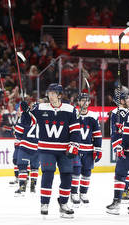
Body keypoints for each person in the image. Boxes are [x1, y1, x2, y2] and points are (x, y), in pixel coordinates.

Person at [20, 83, 81, 218]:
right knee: (48, 174)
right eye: (49, 93)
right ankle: (44, 203)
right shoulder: (40, 107)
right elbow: (27, 123)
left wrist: (74, 145)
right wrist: (24, 112)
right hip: (46, 149)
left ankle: (63, 203)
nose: (50, 95)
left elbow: (75, 130)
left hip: (64, 149)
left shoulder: (70, 109)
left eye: (54, 93)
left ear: (59, 95)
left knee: (67, 175)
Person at [70, 93, 102, 206]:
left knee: (87, 172)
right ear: (78, 102)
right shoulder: (73, 115)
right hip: (76, 149)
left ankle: (83, 193)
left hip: (88, 150)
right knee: (76, 170)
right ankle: (73, 192)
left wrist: (98, 149)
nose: (84, 103)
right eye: (82, 100)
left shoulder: (93, 116)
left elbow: (97, 134)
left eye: (86, 100)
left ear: (89, 102)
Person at [110, 92, 129, 202]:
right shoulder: (118, 112)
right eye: (126, 99)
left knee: (128, 169)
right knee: (125, 169)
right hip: (121, 143)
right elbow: (118, 131)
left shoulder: (123, 111)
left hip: (124, 143)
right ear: (121, 101)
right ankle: (123, 190)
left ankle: (125, 189)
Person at [13, 104, 39, 195]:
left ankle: (22, 186)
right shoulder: (44, 119)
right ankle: (33, 186)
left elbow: (19, 133)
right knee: (35, 168)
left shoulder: (25, 116)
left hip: (25, 146)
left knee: (22, 167)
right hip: (37, 147)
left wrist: (16, 131)